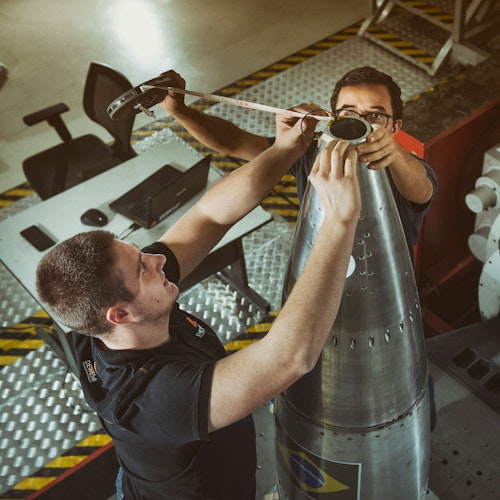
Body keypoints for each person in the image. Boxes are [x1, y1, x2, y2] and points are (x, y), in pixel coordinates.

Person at [35, 110, 361, 499]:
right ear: (119, 315)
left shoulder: (108, 323)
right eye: (142, 269)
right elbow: (291, 357)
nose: (158, 259)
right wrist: (340, 220)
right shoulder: (155, 399)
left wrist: (286, 149)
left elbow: (209, 217)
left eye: (142, 253)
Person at [161, 66, 438, 263]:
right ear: (331, 118)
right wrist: (180, 111)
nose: (361, 123)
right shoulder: (309, 152)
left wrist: (396, 154)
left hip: (385, 281)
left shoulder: (403, 167)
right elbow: (234, 142)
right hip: (316, 269)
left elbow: (422, 190)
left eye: (376, 116)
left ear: (395, 126)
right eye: (349, 113)